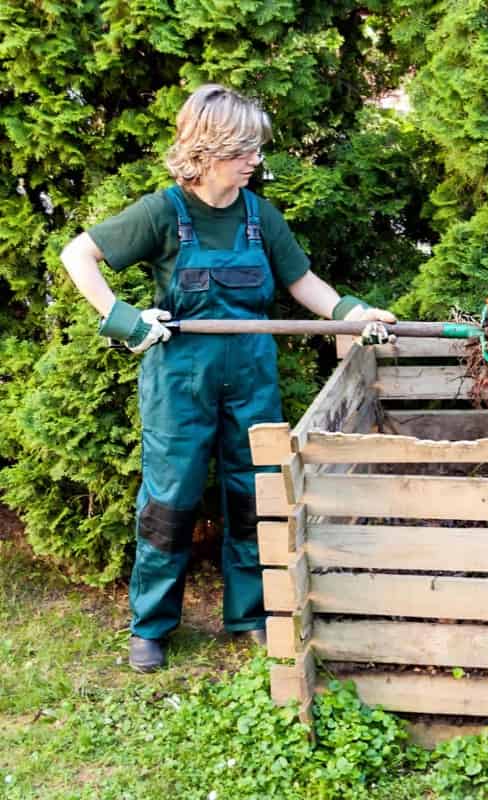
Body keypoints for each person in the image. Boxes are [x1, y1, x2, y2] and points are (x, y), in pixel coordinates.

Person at [61, 84, 395, 673]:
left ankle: (251, 615)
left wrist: (351, 314)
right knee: (169, 502)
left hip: (251, 379)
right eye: (245, 150)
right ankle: (151, 625)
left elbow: (303, 283)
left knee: (251, 497)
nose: (255, 161)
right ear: (210, 149)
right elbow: (76, 256)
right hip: (179, 383)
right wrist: (123, 319)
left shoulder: (258, 215)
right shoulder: (164, 212)